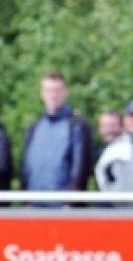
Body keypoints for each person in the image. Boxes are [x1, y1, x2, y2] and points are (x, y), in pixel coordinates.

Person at [20, 71, 93, 205]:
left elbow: (81, 168)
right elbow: (26, 167)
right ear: (42, 93)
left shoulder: (77, 125)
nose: (53, 95)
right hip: (35, 208)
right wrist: (25, 202)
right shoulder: (34, 126)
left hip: (63, 210)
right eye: (48, 90)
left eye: (57, 90)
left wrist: (71, 203)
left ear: (66, 92)